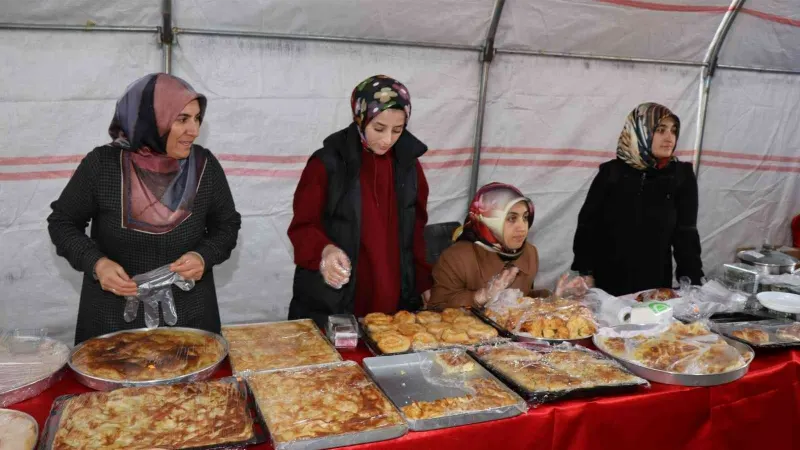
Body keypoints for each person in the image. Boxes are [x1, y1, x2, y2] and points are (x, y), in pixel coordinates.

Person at [47, 73, 242, 344]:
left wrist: (204, 256)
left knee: (197, 388)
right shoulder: (102, 166)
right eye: (182, 119)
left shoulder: (205, 167)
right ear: (153, 119)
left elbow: (227, 226)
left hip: (190, 319)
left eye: (197, 118)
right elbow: (62, 222)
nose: (194, 130)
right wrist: (97, 264)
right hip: (113, 321)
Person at [287, 75, 433, 328]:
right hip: (338, 299)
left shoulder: (409, 166)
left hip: (395, 297)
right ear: (360, 117)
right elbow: (303, 226)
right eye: (379, 128)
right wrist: (325, 250)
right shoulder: (327, 164)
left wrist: (423, 282)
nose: (387, 139)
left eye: (397, 130)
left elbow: (416, 230)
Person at [571, 102, 704, 296]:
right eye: (660, 130)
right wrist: (586, 271)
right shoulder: (612, 173)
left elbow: (686, 234)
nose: (670, 138)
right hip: (608, 285)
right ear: (640, 131)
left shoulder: (680, 176)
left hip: (654, 287)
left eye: (673, 131)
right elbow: (587, 226)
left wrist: (692, 284)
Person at [429, 182, 539, 309]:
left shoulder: (530, 253)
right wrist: (481, 296)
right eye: (511, 219)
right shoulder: (456, 258)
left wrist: (552, 299)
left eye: (525, 217)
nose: (522, 228)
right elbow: (436, 308)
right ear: (488, 219)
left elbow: (524, 299)